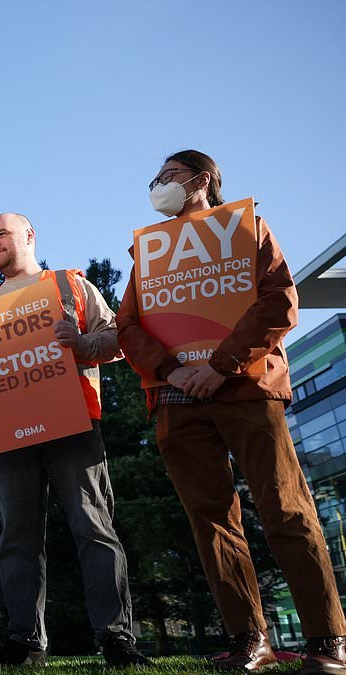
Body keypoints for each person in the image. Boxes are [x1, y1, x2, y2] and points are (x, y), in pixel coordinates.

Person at [117, 150, 346, 674]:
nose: (159, 185)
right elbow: (129, 325)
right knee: (211, 521)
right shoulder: (148, 253)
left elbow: (278, 301)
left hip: (246, 389)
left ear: (202, 180)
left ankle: (328, 640)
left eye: (170, 176)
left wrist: (219, 365)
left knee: (286, 509)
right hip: (178, 401)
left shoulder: (247, 229)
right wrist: (174, 371)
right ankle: (250, 640)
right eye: (156, 178)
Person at [0, 216, 150, 667]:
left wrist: (80, 343)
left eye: (1, 234)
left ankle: (116, 637)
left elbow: (120, 338)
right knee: (16, 536)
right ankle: (24, 642)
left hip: (73, 424)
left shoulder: (70, 285)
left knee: (94, 526)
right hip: (8, 432)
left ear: (29, 235)